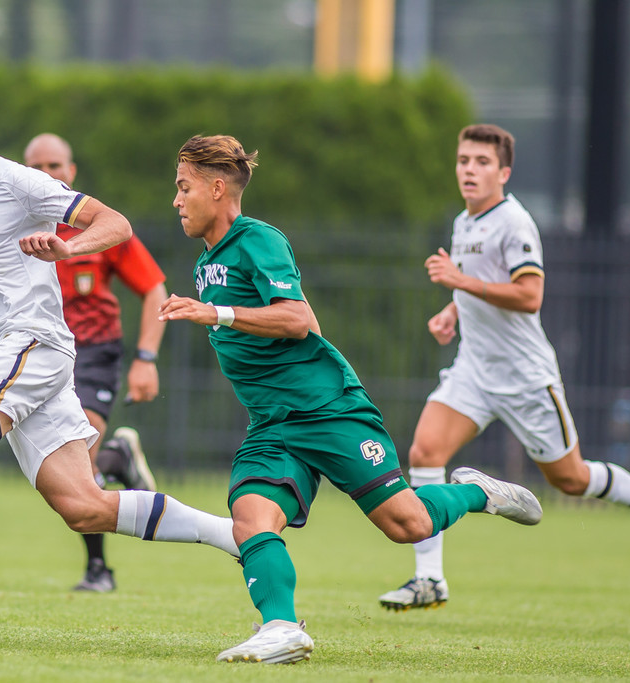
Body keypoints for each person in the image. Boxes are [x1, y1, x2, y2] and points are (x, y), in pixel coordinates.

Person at [0, 68, 239, 639]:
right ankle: (234, 535)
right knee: (83, 505)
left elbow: (116, 224)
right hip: (13, 352)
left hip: (34, 341)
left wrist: (67, 247)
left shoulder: (20, 182)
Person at [158, 134, 544, 665]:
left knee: (406, 525)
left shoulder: (259, 239)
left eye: (184, 188)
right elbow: (285, 324)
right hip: (272, 424)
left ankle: (479, 493)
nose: (176, 200)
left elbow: (297, 320)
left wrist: (217, 314)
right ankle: (280, 629)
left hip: (328, 410)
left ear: (218, 188)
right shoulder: (208, 262)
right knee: (250, 517)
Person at [378, 124, 630, 612]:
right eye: (463, 161)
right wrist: (451, 311)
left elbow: (529, 294)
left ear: (504, 172)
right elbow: (476, 284)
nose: (469, 170)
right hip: (474, 371)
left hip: (524, 378)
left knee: (572, 480)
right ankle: (429, 578)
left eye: (481, 162)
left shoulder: (514, 223)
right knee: (425, 450)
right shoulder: (464, 222)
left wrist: (457, 282)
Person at [24, 133, 167, 593]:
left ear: (72, 172)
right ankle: (119, 457)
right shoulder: (11, 224)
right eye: (37, 167)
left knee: (78, 460)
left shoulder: (96, 227)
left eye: (56, 166)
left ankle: (98, 572)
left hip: (92, 352)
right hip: (36, 353)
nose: (47, 175)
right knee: (62, 473)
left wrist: (145, 358)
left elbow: (154, 290)